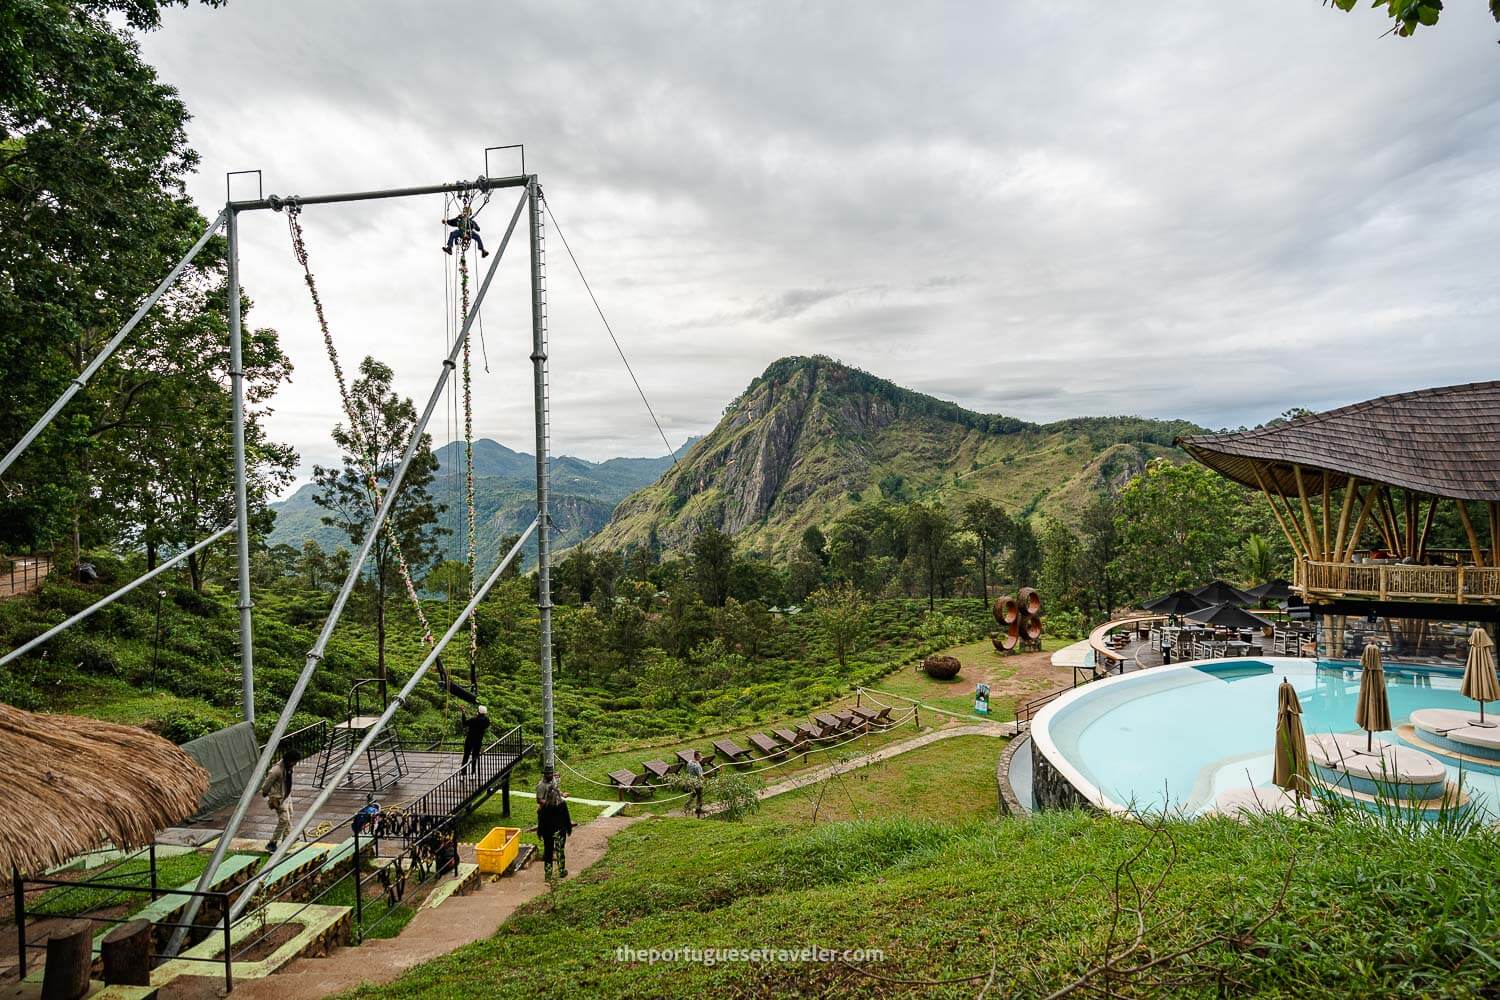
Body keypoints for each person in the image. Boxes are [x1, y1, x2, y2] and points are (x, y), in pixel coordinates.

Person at [535, 770, 573, 883]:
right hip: (553, 829)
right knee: (552, 850)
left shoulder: (551, 807)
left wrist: (540, 831)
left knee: (555, 850)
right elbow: (566, 818)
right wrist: (568, 828)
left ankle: (554, 872)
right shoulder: (549, 806)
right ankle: (553, 872)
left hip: (554, 829)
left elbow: (541, 820)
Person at [260, 750, 299, 852]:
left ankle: (287, 838)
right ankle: (272, 843)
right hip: (278, 797)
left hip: (286, 794)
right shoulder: (276, 770)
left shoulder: (289, 767)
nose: (295, 764)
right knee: (284, 819)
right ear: (288, 760)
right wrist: (266, 793)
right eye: (294, 762)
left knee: (290, 814)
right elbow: (266, 785)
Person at [461, 705, 490, 772]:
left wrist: (463, 713)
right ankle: (473, 772)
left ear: (478, 712)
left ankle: (463, 773)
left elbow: (464, 723)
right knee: (475, 757)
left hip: (469, 740)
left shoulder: (473, 720)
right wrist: (477, 715)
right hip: (478, 741)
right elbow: (483, 720)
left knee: (466, 756)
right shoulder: (486, 720)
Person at [684, 749, 706, 818]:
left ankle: (686, 806)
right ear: (696, 757)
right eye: (700, 756)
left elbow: (687, 771)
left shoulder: (689, 762)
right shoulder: (697, 765)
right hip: (698, 783)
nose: (701, 757)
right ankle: (698, 809)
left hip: (691, 781)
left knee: (693, 795)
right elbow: (700, 776)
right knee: (699, 796)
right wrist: (705, 780)